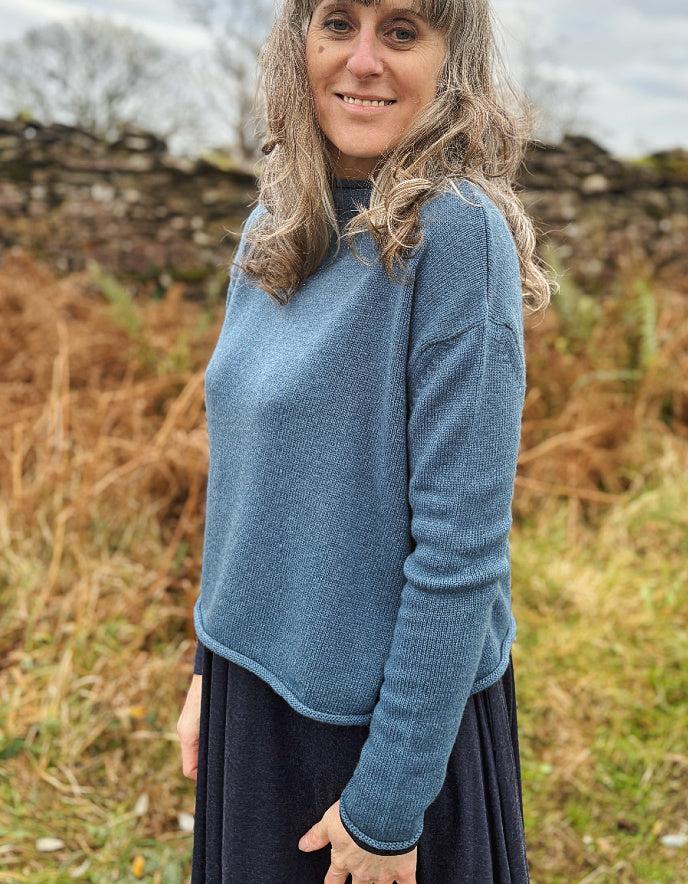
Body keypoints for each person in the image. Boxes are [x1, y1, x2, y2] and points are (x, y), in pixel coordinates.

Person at [177, 0, 551, 881]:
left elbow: (461, 553)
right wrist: (208, 667)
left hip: (385, 737)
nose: (363, 60)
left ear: (449, 59)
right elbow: (241, 480)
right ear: (298, 43)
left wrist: (387, 808)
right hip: (253, 690)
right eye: (338, 22)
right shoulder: (276, 223)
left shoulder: (457, 238)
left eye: (402, 30)